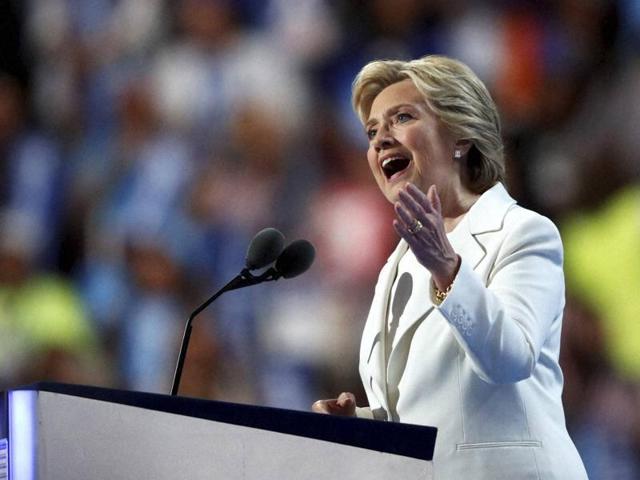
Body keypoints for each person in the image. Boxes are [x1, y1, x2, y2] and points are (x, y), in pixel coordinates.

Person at [312, 55, 588, 479]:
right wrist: (360, 427)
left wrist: (447, 270)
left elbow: (510, 359)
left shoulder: (523, 232)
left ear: (460, 135)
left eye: (401, 117)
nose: (381, 140)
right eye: (371, 132)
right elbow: (423, 411)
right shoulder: (396, 267)